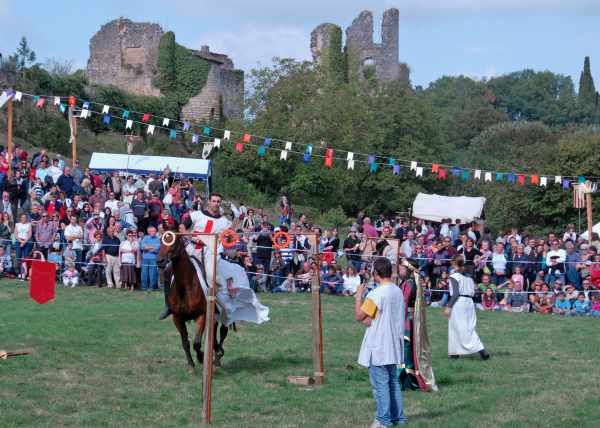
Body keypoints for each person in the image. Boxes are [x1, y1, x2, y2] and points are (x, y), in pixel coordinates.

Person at [355, 257, 407, 427]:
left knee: (381, 385)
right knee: (393, 383)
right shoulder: (397, 290)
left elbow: (359, 316)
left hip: (379, 345)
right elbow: (372, 319)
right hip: (393, 343)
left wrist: (358, 297)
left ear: (375, 273)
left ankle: (384, 420)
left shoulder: (376, 294)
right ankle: (398, 418)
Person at [398, 260, 437, 392]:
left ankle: (408, 380)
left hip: (407, 319)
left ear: (409, 270)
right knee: (404, 349)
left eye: (402, 268)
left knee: (407, 349)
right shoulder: (406, 283)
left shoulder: (409, 284)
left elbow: (403, 303)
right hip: (406, 318)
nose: (400, 269)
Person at [445, 255, 490, 360]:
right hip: (469, 302)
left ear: (454, 264)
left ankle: (481, 349)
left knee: (462, 327)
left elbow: (455, 293)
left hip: (459, 303)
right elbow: (471, 267)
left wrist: (449, 306)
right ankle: (454, 352)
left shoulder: (454, 276)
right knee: (463, 326)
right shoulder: (469, 276)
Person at [140, 225, 160, 291]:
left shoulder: (157, 239)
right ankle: (144, 287)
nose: (153, 232)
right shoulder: (145, 237)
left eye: (154, 231)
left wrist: (147, 247)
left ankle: (152, 287)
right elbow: (142, 247)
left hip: (153, 258)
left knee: (153, 273)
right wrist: (151, 247)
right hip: (145, 258)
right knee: (144, 273)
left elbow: (157, 249)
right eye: (151, 231)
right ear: (148, 232)